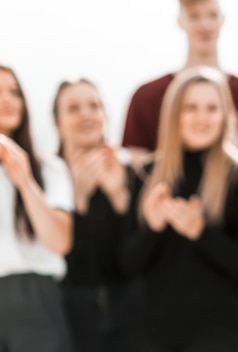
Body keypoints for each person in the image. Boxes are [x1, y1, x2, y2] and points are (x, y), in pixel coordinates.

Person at [119, 66, 238, 352]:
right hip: (151, 331)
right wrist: (153, 228)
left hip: (217, 331)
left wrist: (201, 233)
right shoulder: (145, 174)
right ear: (174, 114)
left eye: (211, 108)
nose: (202, 118)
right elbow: (126, 264)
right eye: (191, 108)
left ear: (225, 115)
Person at [54, 78, 139, 352]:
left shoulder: (132, 174)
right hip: (69, 319)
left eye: (94, 106)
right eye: (74, 108)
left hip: (128, 317)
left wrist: (120, 199)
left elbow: (140, 258)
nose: (86, 115)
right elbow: (59, 264)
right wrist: (77, 202)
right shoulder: (47, 178)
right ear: (58, 122)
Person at [122, 0, 238, 160]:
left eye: (212, 15)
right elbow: (136, 173)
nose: (205, 24)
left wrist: (233, 137)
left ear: (222, 19)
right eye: (194, 16)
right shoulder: (146, 97)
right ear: (180, 21)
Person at [0, 64, 73, 352]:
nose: (7, 100)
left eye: (15, 92)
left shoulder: (49, 169)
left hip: (34, 298)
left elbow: (60, 240)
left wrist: (26, 181)